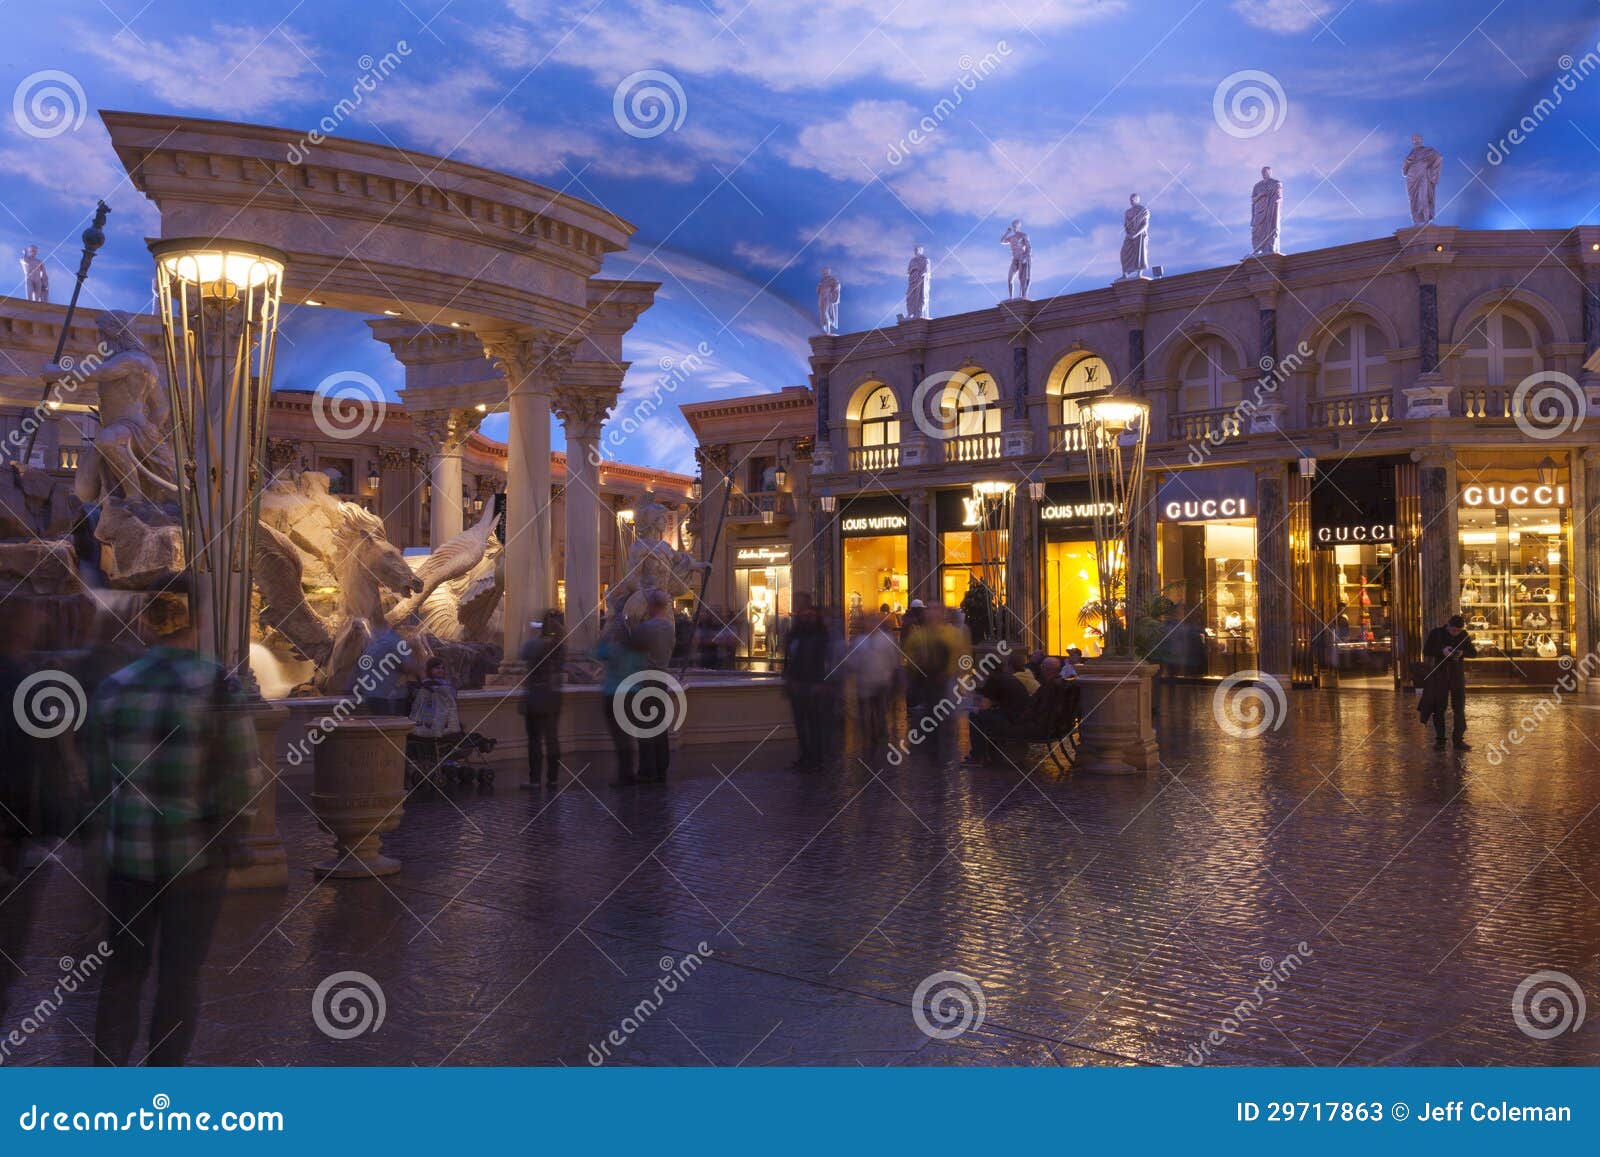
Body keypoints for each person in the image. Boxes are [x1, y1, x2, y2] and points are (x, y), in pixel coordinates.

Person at [88, 617, 261, 1066]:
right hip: (195, 859)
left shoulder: (115, 686)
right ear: (197, 622)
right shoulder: (217, 685)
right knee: (180, 977)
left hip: (127, 858)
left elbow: (95, 777)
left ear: (148, 621)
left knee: (123, 974)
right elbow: (244, 778)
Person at [632, 589, 678, 783]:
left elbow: (633, 649)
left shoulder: (645, 628)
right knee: (660, 726)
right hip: (662, 679)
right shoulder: (669, 628)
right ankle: (661, 767)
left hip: (646, 680)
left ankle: (646, 770)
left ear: (651, 606)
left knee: (645, 727)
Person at [784, 595, 831, 770]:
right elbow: (790, 659)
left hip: (812, 685)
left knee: (813, 723)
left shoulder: (819, 637)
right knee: (802, 724)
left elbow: (823, 661)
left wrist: (820, 682)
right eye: (802, 615)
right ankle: (806, 756)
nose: (804, 617)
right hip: (798, 684)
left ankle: (816, 759)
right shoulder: (796, 635)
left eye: (808, 615)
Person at [519, 613, 565, 788]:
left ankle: (535, 779)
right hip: (553, 697)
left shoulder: (534, 644)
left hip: (535, 696)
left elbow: (522, 653)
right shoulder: (560, 646)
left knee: (534, 739)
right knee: (552, 739)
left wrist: (532, 633)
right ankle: (553, 778)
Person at [598, 616, 646, 785]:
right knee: (628, 735)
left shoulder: (613, 650)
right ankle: (630, 772)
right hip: (633, 694)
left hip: (613, 694)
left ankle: (624, 775)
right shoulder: (637, 652)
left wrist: (606, 633)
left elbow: (597, 652)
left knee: (619, 737)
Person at [1419, 614, 1476, 750]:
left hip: (1457, 675)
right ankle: (1440, 740)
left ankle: (1458, 739)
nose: (1455, 633)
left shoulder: (1463, 635)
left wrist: (1461, 653)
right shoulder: (1437, 633)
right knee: (1439, 708)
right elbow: (1426, 650)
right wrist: (1442, 651)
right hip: (1440, 675)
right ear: (1448, 625)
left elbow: (1473, 653)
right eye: (1453, 630)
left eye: (1458, 631)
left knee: (1459, 708)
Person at [848, 613, 899, 756]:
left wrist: (891, 676)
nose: (871, 625)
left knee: (880, 711)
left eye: (874, 621)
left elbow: (893, 660)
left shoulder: (886, 640)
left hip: (882, 682)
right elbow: (853, 661)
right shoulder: (859, 641)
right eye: (869, 621)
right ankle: (869, 739)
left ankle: (879, 737)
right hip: (864, 684)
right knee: (866, 713)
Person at [968, 657, 1032, 762]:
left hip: (1012, 721)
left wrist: (975, 705)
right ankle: (989, 753)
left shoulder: (995, 679)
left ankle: (977, 756)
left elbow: (984, 705)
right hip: (1019, 718)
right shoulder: (1006, 678)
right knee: (985, 716)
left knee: (974, 717)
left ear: (988, 669)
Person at [410, 657, 462, 739]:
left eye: (442, 668)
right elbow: (450, 696)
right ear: (430, 669)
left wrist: (454, 685)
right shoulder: (427, 684)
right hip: (433, 721)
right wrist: (453, 686)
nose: (440, 670)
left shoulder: (442, 684)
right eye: (437, 668)